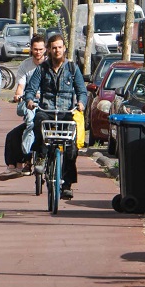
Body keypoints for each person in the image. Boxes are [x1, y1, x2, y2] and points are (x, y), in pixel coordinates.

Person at [27, 31, 86, 199]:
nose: (57, 51)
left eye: (60, 47)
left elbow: (82, 91)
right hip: (46, 111)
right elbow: (31, 89)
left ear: (64, 49)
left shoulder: (73, 68)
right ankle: (41, 157)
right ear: (49, 50)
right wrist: (30, 100)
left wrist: (81, 103)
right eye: (54, 48)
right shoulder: (42, 69)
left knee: (71, 149)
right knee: (38, 121)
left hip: (66, 113)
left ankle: (67, 184)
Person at [9, 35, 48, 167]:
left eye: (41, 49)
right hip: (30, 102)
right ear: (31, 49)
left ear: (45, 49)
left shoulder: (49, 65)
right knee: (30, 121)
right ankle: (27, 157)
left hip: (46, 103)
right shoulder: (25, 65)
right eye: (35, 49)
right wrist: (18, 95)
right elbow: (21, 86)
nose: (38, 52)